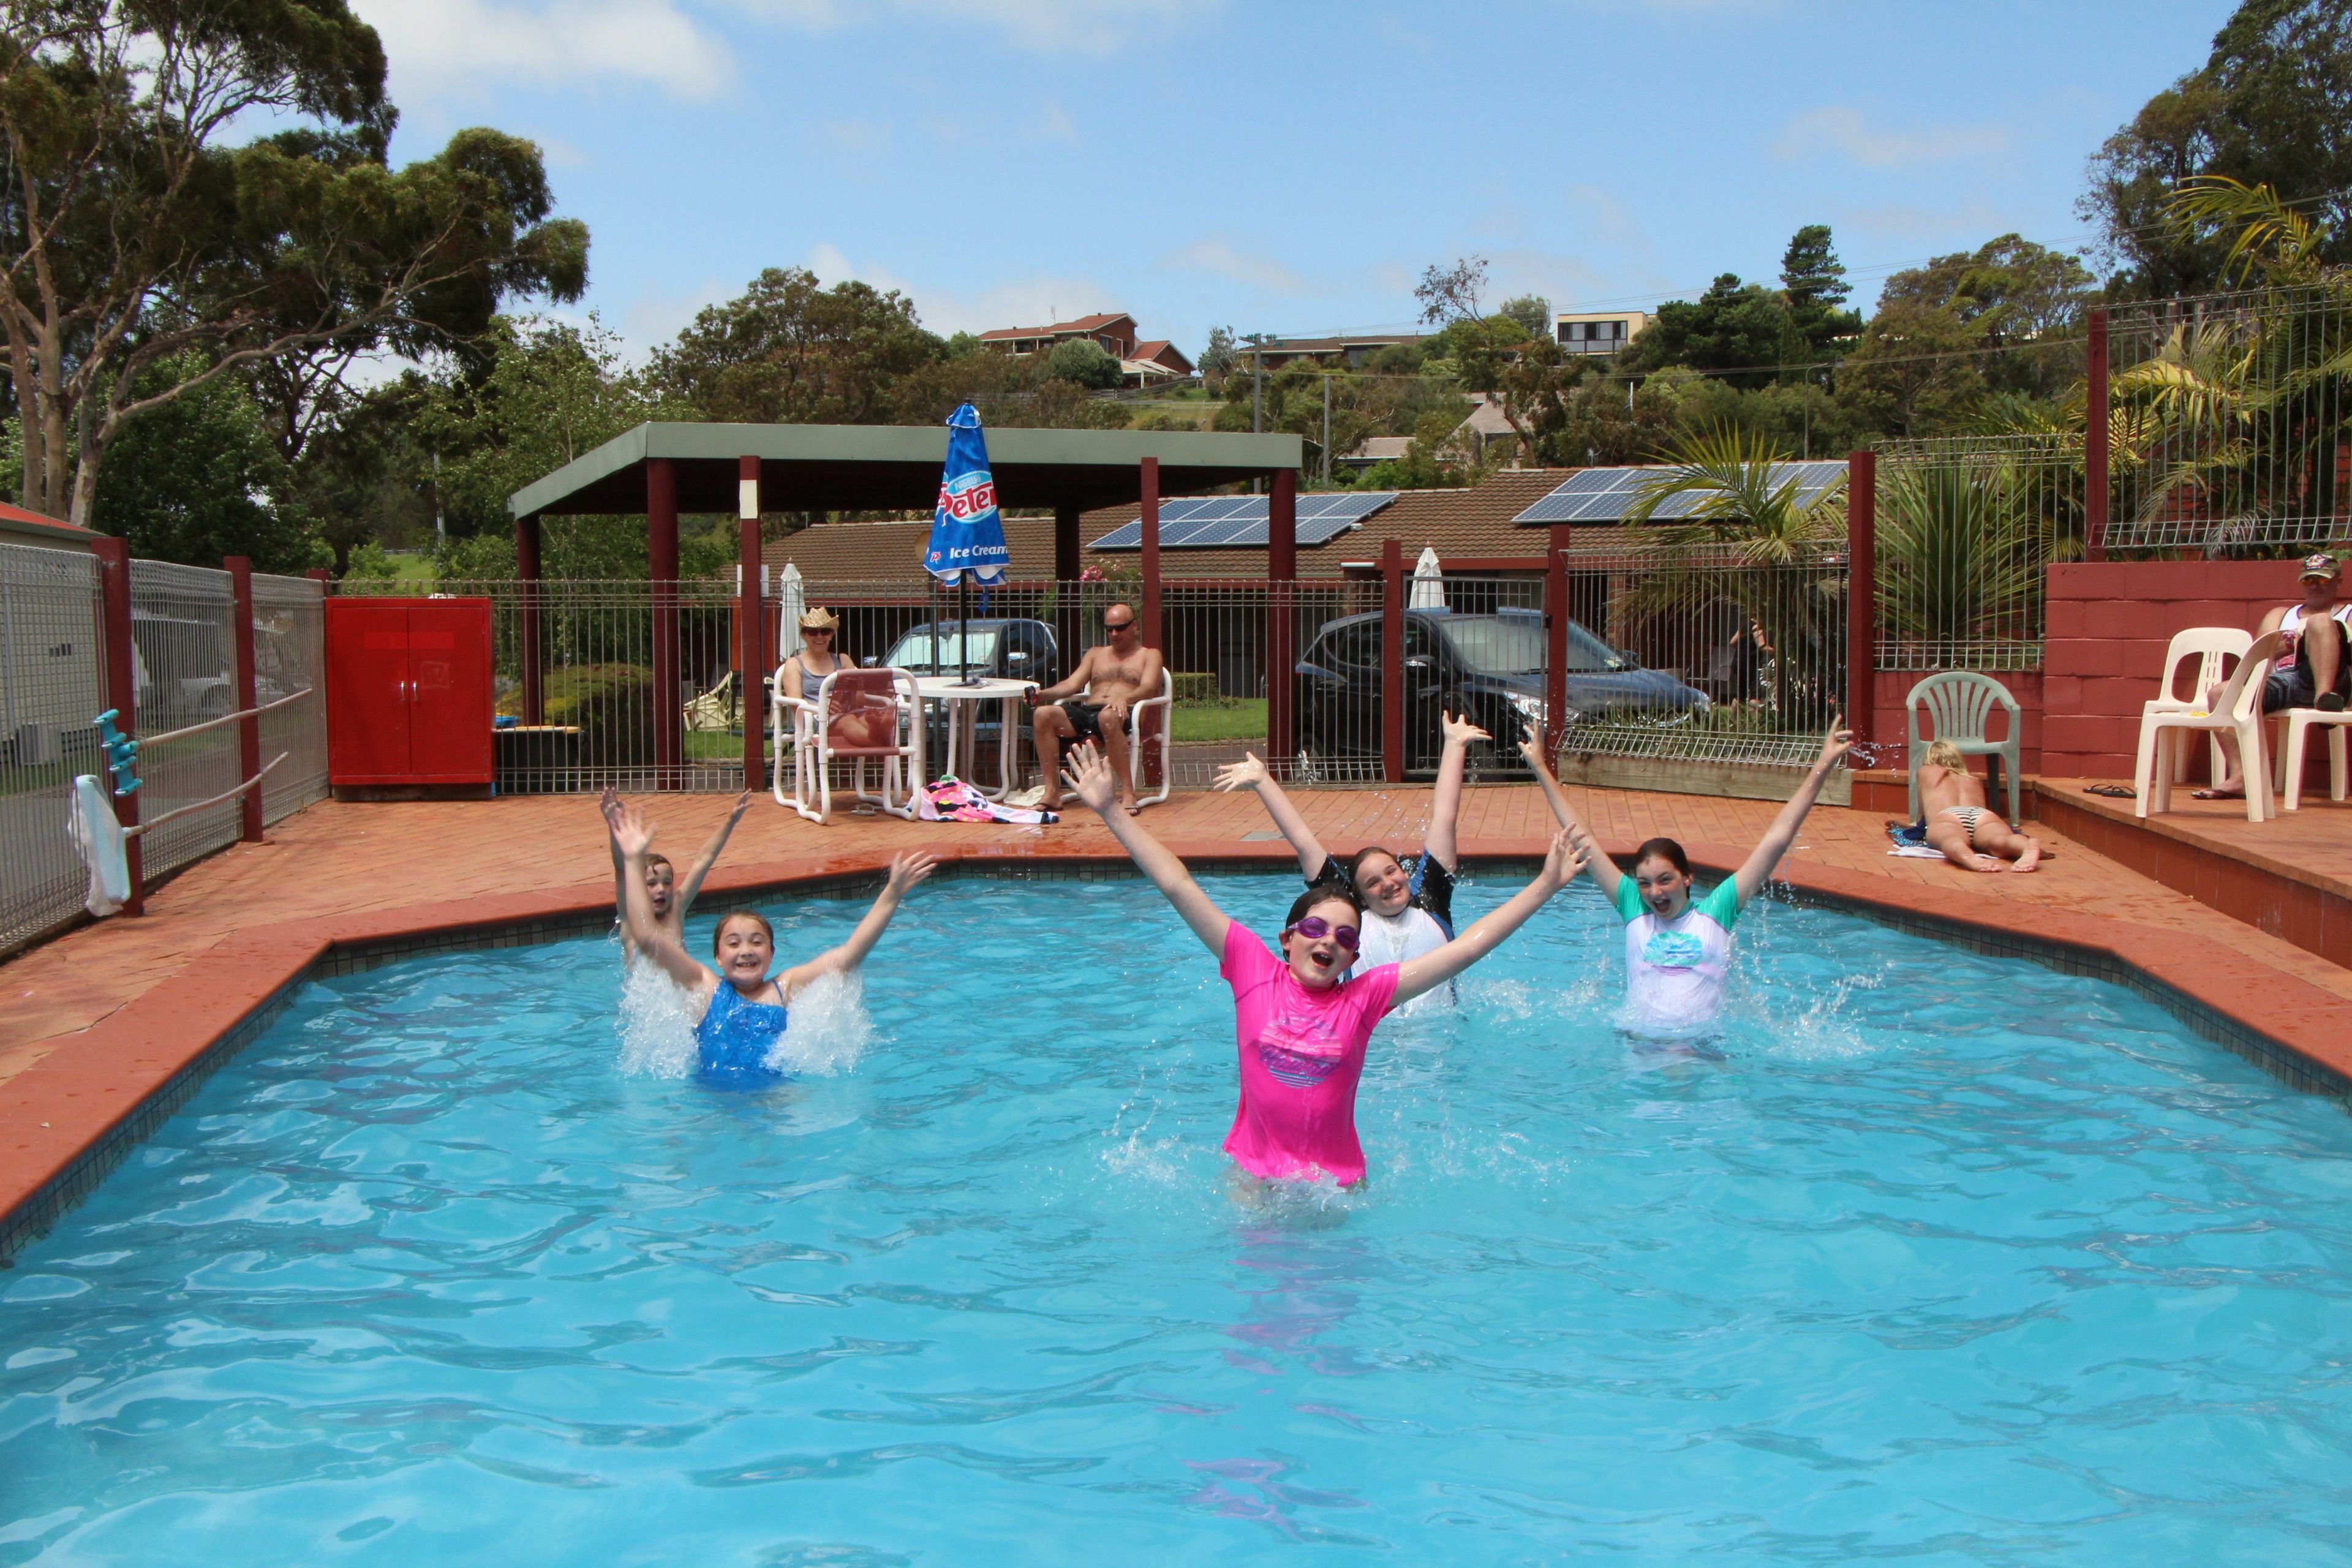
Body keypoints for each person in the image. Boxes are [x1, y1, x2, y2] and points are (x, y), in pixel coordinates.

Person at [1062, 740, 1583, 1187]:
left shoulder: (1364, 997)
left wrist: (1544, 886)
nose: (1327, 941)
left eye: (1343, 936)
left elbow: (1465, 949)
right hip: (1255, 1178)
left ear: (1354, 955)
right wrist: (1110, 811)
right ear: (1288, 939)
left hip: (1337, 1188)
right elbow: (1178, 885)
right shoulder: (1251, 968)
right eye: (1314, 929)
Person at [1521, 717, 1854, 1037]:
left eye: (1665, 880)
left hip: (1701, 1049)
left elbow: (1777, 839)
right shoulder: (1633, 907)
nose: (1655, 893)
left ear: (1687, 878)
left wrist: (1823, 764)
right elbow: (1582, 838)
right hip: (1640, 1046)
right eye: (1645, 883)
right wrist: (1539, 767)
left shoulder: (1717, 912)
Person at [607, 797, 937, 1084]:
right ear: (718, 957)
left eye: (756, 942)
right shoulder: (706, 987)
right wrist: (634, 861)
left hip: (774, 1105)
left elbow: (849, 956)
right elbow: (648, 940)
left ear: (772, 952)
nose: (746, 950)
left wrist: (890, 896)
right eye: (734, 943)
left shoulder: (786, 987)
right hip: (710, 1110)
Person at [1212, 710, 1488, 989]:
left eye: (1391, 871)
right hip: (1370, 1032)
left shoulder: (1432, 899)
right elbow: (1304, 842)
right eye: (1373, 883)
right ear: (1362, 898)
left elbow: (1444, 818)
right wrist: (1263, 782)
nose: (1388, 884)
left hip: (1438, 1031)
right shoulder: (1351, 917)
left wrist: (1454, 745)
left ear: (1404, 872)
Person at [2203, 552, 2351, 799]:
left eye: (2323, 580)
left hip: (2337, 683)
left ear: (2338, 582)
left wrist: (2316, 638)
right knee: (2220, 694)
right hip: (2287, 680)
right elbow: (2261, 654)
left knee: (2320, 623)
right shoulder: (2280, 615)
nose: (2315, 586)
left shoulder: (2347, 613)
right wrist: (2291, 645)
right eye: (2309, 580)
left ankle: (2325, 699)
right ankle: (2240, 777)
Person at [1031, 601, 1164, 815]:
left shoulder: (1150, 655)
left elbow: (1149, 687)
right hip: (1090, 712)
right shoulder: (1095, 654)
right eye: (1109, 629)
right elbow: (1072, 685)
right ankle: (1052, 792)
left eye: (1120, 628)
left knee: (1107, 717)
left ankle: (1128, 793)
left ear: (1134, 626)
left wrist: (1124, 696)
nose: (1114, 633)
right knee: (1043, 714)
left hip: (1123, 713)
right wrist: (1043, 694)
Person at [600, 786, 754, 963]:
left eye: (667, 882)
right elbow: (621, 868)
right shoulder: (630, 915)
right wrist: (613, 826)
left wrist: (730, 821)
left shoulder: (676, 908)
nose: (661, 889)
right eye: (651, 884)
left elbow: (703, 860)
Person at [1917, 739, 2045, 873]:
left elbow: (1923, 812)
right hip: (1982, 815)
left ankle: (1962, 850)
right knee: (1999, 841)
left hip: (1948, 816)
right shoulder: (1973, 780)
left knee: (1950, 838)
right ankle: (2025, 846)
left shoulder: (1927, 771)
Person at [778, 605, 890, 750]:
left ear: (832, 634)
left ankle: (875, 730)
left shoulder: (843, 660)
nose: (819, 636)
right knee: (848, 720)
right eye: (813, 632)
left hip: (848, 711)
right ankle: (876, 735)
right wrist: (823, 706)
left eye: (825, 631)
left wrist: (853, 695)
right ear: (804, 635)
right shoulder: (794, 664)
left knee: (862, 719)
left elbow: (859, 700)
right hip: (814, 717)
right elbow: (795, 703)